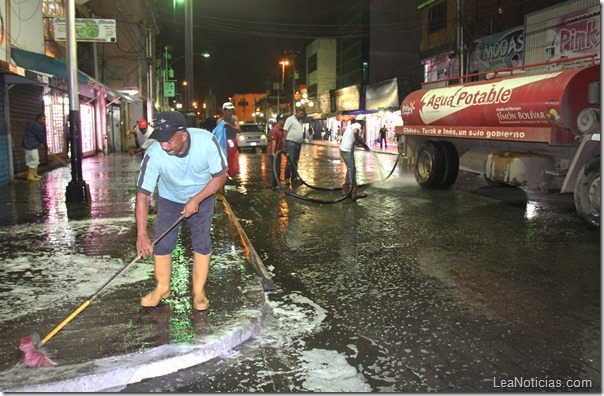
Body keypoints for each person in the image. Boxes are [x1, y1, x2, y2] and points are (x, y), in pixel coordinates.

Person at [134, 110, 228, 311]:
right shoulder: (155, 153)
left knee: (202, 243)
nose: (163, 146)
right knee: (162, 243)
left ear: (183, 135)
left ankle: (199, 292)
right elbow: (143, 195)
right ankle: (162, 287)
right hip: (170, 199)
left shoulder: (206, 143)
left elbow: (220, 176)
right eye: (160, 140)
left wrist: (197, 199)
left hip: (202, 196)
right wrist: (141, 234)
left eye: (168, 141)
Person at [340, 122, 370, 201]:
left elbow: (358, 139)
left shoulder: (351, 126)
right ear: (362, 122)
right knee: (352, 170)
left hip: (344, 150)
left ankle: (345, 188)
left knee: (350, 169)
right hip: (347, 151)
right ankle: (354, 192)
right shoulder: (358, 125)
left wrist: (365, 146)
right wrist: (357, 141)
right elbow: (356, 132)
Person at [22, 113, 47, 182]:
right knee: (33, 160)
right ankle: (30, 176)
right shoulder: (37, 126)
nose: (44, 121)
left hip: (29, 144)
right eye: (43, 119)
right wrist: (45, 144)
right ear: (38, 119)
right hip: (30, 145)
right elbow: (41, 136)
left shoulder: (32, 124)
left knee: (33, 160)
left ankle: (34, 174)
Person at [283, 108, 305, 185]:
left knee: (295, 161)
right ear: (297, 112)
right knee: (290, 161)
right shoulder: (290, 119)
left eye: (303, 114)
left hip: (298, 144)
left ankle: (294, 178)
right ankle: (286, 178)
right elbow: (285, 131)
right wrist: (284, 142)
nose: (302, 116)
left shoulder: (300, 121)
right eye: (301, 114)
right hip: (291, 143)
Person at [268, 114, 286, 190]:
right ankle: (275, 185)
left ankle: (277, 184)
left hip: (278, 152)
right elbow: (274, 142)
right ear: (279, 121)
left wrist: (284, 150)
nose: (284, 122)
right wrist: (273, 152)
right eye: (283, 120)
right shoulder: (275, 130)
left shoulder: (282, 130)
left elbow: (282, 141)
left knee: (278, 168)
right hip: (274, 153)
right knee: (275, 169)